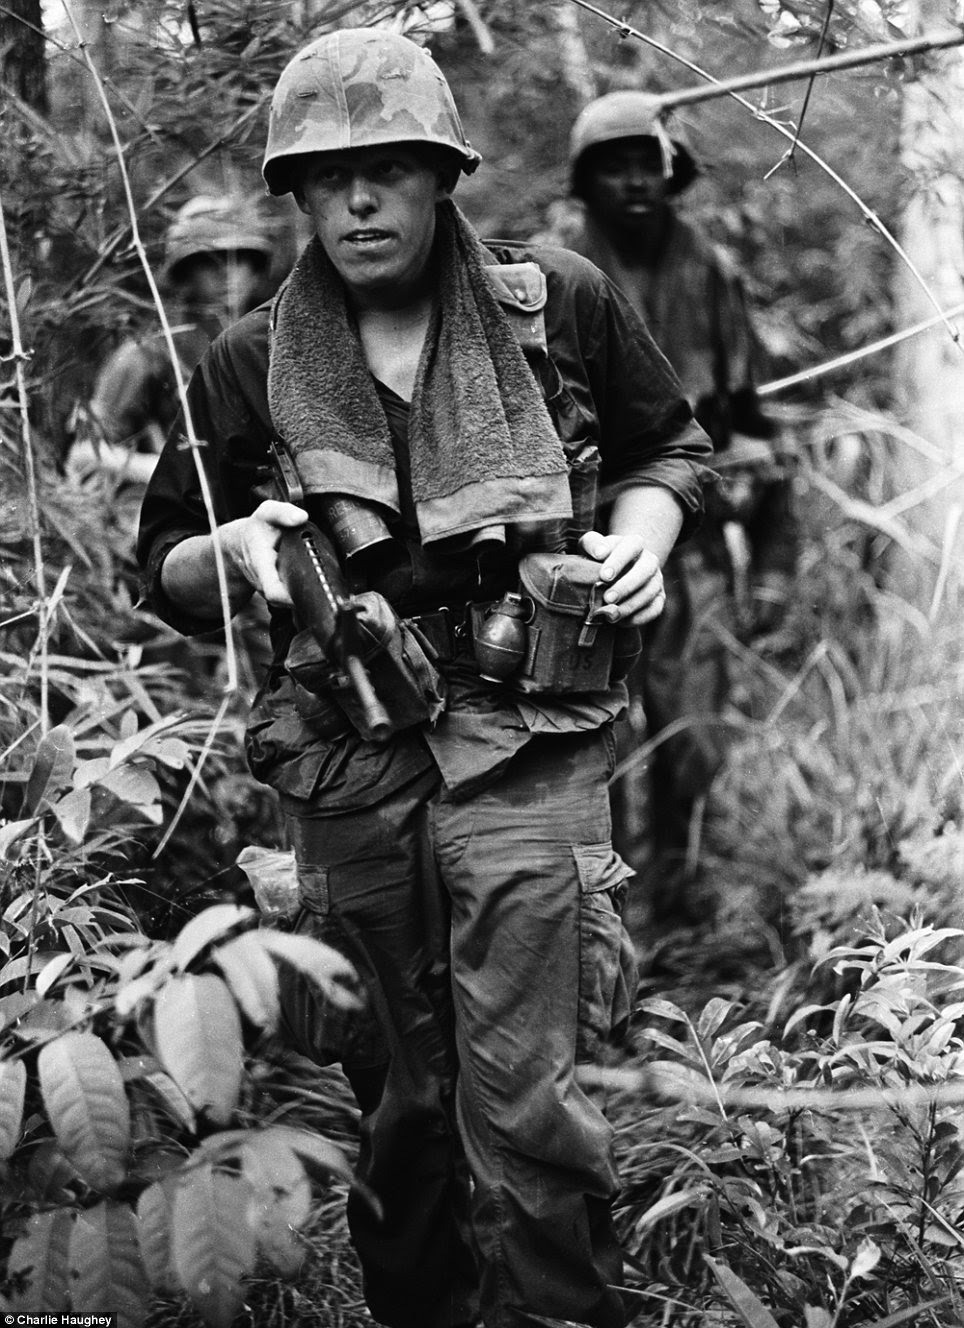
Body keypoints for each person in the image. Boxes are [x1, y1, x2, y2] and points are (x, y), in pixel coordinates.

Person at [137, 29, 711, 1328]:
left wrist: (644, 541)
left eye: (387, 169)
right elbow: (160, 567)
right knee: (399, 1106)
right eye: (325, 179)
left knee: (528, 1105)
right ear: (292, 194)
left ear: (441, 173)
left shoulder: (555, 301)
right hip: (349, 756)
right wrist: (232, 550)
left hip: (530, 737)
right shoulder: (244, 360)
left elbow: (670, 446)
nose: (356, 203)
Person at [549, 91, 798, 909]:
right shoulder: (554, 275)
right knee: (596, 744)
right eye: (611, 167)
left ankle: (684, 900)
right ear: (586, 182)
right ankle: (605, 917)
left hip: (692, 550)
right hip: (588, 557)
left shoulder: (711, 271)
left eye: (645, 164)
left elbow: (760, 428)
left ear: (671, 173)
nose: (633, 182)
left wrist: (770, 567)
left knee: (695, 738)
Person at [68, 194, 273, 486]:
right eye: (209, 261)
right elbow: (83, 456)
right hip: (178, 511)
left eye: (240, 258)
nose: (227, 271)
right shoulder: (147, 353)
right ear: (185, 272)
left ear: (255, 268)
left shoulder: (274, 343)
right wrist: (181, 473)